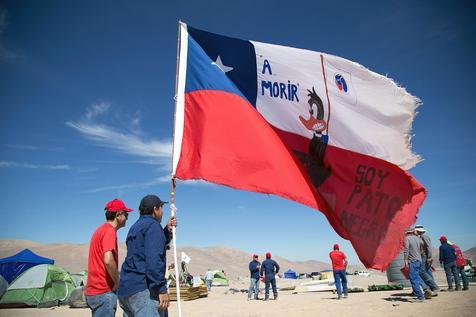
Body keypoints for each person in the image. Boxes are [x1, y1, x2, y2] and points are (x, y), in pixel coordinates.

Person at [118, 194, 176, 317]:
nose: (162, 212)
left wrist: (166, 230)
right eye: (161, 208)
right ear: (155, 209)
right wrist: (161, 289)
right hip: (143, 290)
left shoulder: (135, 227)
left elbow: (143, 251)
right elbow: (154, 260)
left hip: (126, 290)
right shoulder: (153, 226)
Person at [85, 198, 133, 317]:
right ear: (118, 214)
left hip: (94, 291)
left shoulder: (100, 230)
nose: (127, 217)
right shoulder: (109, 231)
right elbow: (108, 259)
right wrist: (117, 281)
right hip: (103, 291)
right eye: (126, 214)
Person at [403, 228, 432, 302]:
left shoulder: (407, 239)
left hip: (412, 261)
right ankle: (426, 288)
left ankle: (420, 296)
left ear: (406, 233)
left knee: (413, 279)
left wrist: (405, 260)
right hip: (419, 260)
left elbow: (406, 250)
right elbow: (422, 250)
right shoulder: (418, 239)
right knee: (417, 276)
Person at [414, 225, 439, 293]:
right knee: (427, 272)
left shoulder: (424, 237)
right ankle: (432, 288)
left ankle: (434, 286)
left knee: (422, 271)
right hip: (424, 256)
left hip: (425, 256)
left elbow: (429, 247)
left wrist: (429, 257)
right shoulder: (420, 237)